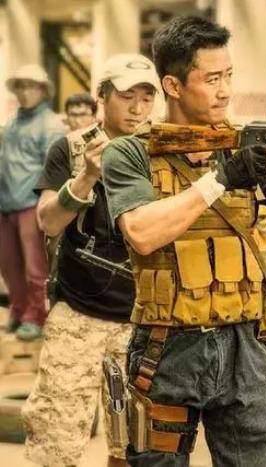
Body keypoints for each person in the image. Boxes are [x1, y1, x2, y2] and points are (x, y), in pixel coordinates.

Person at [100, 16, 266, 466]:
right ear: (173, 86)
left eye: (229, 75)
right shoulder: (130, 152)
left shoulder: (240, 145)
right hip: (167, 346)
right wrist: (221, 179)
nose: (225, 91)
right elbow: (141, 233)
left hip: (245, 343)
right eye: (212, 79)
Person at [22, 54, 160, 467]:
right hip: (77, 314)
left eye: (146, 97)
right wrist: (86, 177)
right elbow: (48, 221)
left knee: (134, 444)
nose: (137, 108)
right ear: (102, 95)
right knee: (56, 443)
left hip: (142, 320)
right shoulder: (70, 148)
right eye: (126, 97)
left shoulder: (162, 151)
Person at [0, 64, 66, 341]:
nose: (25, 92)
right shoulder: (13, 121)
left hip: (31, 203)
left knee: (35, 267)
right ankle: (18, 309)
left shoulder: (50, 125)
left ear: (42, 90)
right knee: (9, 265)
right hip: (5, 203)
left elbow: (53, 170)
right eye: (20, 86)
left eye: (31, 86)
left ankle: (35, 315)